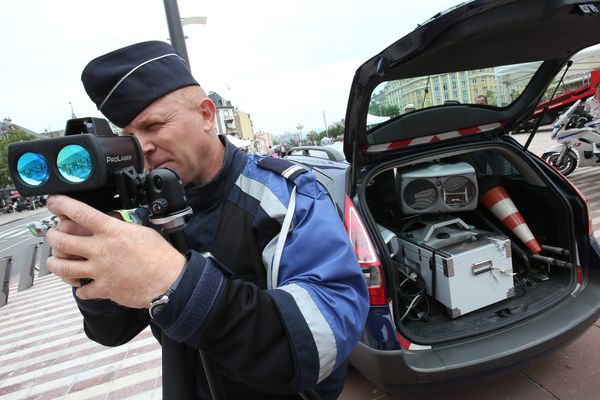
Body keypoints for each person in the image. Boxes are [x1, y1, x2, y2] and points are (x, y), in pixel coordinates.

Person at [44, 41, 369, 399]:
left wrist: (176, 283)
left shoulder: (286, 196)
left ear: (205, 115)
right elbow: (111, 331)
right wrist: (88, 270)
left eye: (153, 125)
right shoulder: (145, 215)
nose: (142, 147)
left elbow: (324, 342)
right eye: (128, 136)